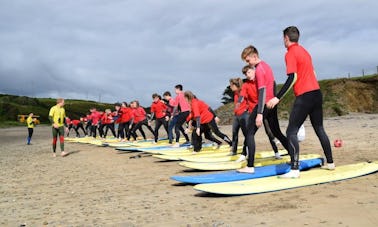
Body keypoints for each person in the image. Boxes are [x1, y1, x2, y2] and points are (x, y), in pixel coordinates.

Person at [266, 26, 335, 178]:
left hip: (305, 95)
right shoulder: (305, 51)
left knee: (291, 131)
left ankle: (295, 169)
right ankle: (330, 163)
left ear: (286, 38)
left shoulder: (290, 53)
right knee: (319, 128)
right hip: (316, 93)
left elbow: (293, 77)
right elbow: (313, 72)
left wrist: (277, 97)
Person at [241, 46, 290, 158]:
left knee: (249, 133)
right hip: (271, 104)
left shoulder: (259, 69)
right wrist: (274, 102)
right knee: (276, 132)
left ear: (254, 56)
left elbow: (262, 91)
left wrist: (259, 113)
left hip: (264, 104)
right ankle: (294, 156)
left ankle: (250, 166)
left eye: (248, 60)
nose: (248, 63)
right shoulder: (266, 66)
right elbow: (273, 85)